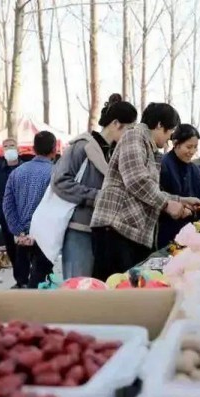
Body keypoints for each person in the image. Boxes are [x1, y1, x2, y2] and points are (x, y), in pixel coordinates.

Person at [91, 103, 200, 280]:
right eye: (169, 131)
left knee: (128, 290)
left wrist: (180, 200)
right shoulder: (134, 136)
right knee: (113, 291)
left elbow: (150, 188)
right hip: (115, 228)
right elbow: (136, 180)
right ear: (158, 125)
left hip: (130, 231)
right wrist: (167, 204)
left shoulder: (150, 149)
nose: (169, 138)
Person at [52, 94, 138, 279]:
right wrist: (96, 196)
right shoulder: (81, 146)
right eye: (128, 130)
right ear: (116, 123)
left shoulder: (113, 152)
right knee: (79, 288)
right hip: (79, 228)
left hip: (104, 231)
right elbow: (60, 181)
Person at [3, 131, 58, 288]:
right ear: (54, 150)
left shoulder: (16, 172)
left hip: (22, 235)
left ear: (33, 149)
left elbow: (7, 205)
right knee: (41, 279)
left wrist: (18, 231)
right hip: (45, 236)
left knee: (24, 277)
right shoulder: (55, 173)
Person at [158, 124, 200, 248]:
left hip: (190, 228)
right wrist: (181, 207)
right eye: (189, 147)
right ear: (176, 143)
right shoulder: (163, 165)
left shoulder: (193, 168)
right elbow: (159, 195)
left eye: (195, 147)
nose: (192, 152)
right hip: (168, 230)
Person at [0, 138, 28, 288]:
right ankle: (20, 279)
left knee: (24, 248)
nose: (9, 149)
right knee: (11, 248)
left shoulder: (25, 168)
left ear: (18, 149)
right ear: (2, 150)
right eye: (6, 146)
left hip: (23, 216)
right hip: (4, 216)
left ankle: (27, 278)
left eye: (12, 146)